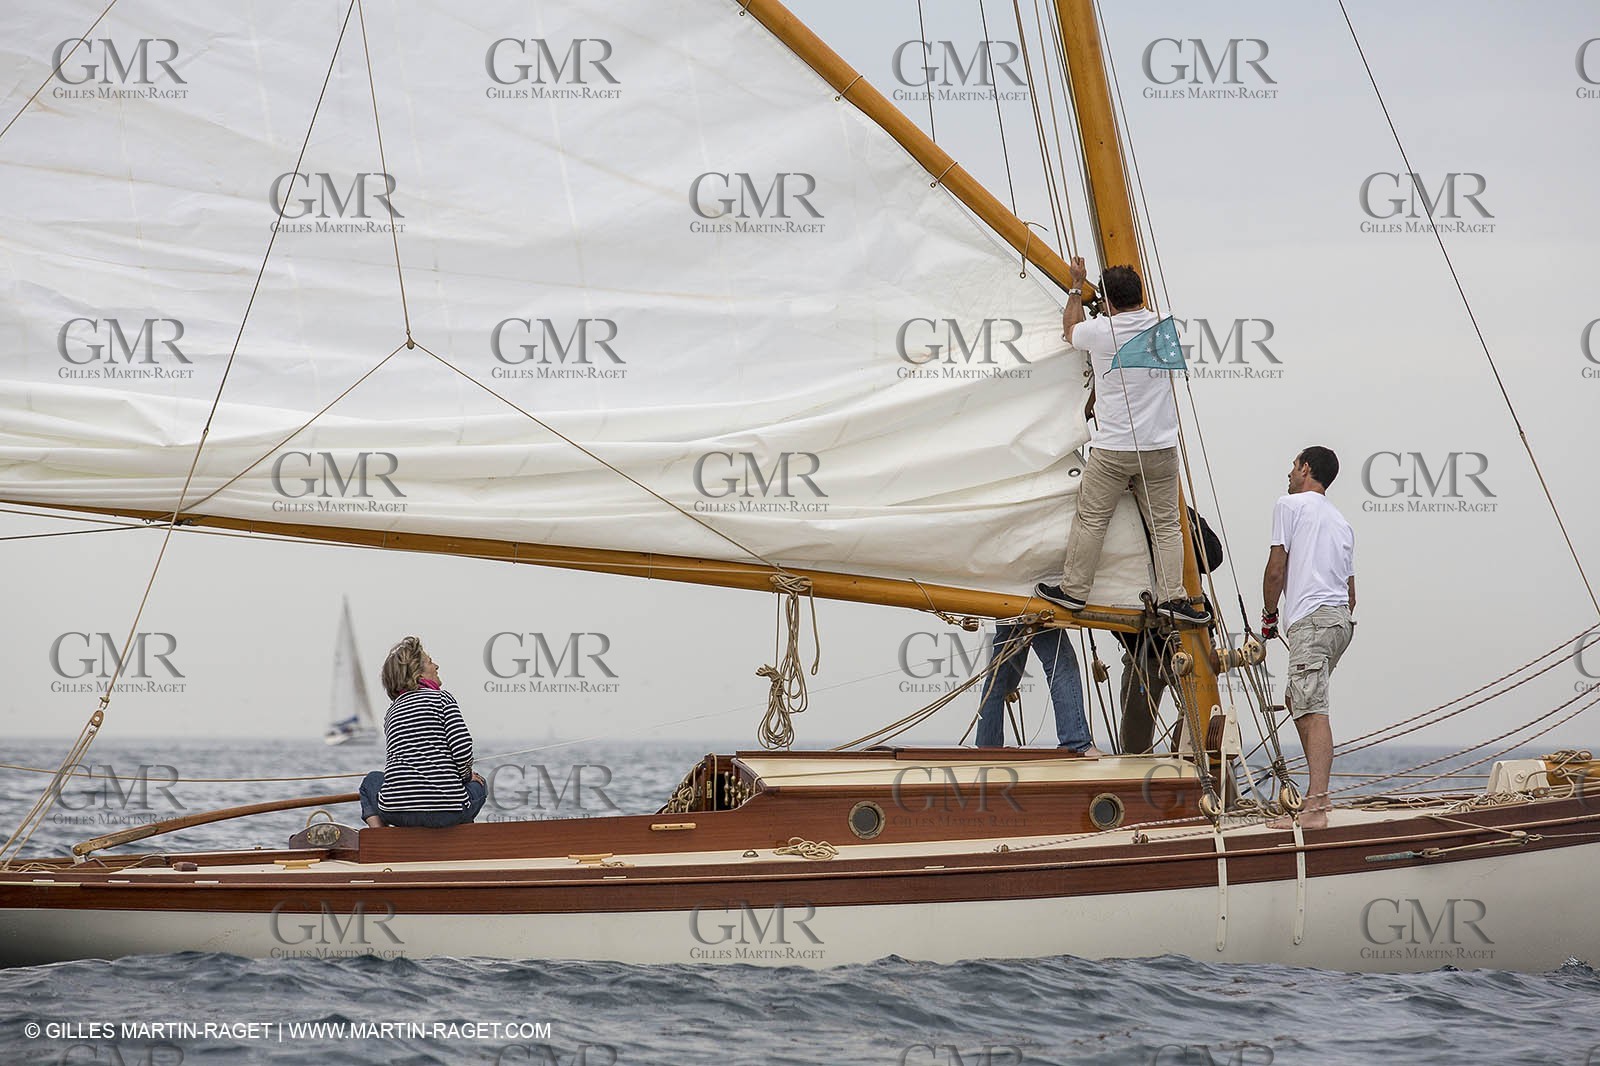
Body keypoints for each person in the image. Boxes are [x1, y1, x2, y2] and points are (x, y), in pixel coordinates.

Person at [1035, 258, 1209, 626]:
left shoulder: (1098, 332)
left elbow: (1070, 329)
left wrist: (1077, 288)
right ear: (1140, 296)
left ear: (1109, 303)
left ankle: (1075, 592)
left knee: (1092, 519)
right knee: (1167, 525)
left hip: (1114, 449)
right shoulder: (1166, 324)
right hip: (1160, 449)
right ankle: (1173, 597)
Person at [1261, 446, 1355, 830]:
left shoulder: (1290, 505)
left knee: (1312, 709)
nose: (1288, 472)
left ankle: (1315, 807)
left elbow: (1275, 569)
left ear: (1306, 469)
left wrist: (1269, 616)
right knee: (1297, 697)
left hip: (1312, 622)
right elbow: (1351, 593)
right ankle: (1316, 798)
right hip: (1339, 623)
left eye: (1293, 465)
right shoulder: (1341, 521)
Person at [1118, 508, 1223, 754]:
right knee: (1135, 744)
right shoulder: (1122, 516)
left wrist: (1188, 520)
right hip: (1141, 651)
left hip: (1190, 643)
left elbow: (1212, 559)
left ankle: (1197, 779)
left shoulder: (1175, 509)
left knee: (1200, 735)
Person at [359, 636, 488, 829]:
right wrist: (467, 777)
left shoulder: (392, 712)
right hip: (447, 812)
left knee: (371, 781)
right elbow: (462, 748)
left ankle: (380, 837)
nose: (436, 665)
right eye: (429, 662)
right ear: (417, 675)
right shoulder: (442, 699)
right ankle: (461, 839)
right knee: (481, 784)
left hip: (397, 812)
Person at [975, 623, 1099, 756]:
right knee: (1062, 662)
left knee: (1000, 673)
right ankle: (1077, 743)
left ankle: (987, 747)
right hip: (1031, 604)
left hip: (1008, 604)